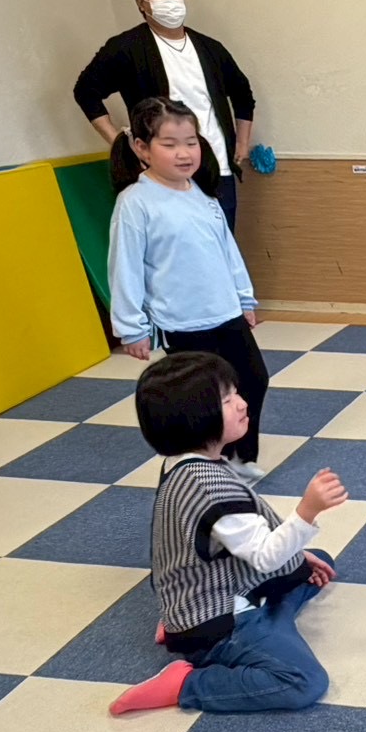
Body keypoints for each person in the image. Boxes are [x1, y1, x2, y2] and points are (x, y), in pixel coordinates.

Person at [110, 352, 347, 716]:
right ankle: (186, 683)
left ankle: (257, 623)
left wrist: (297, 559)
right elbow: (265, 557)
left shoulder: (186, 464)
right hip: (216, 621)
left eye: (235, 393)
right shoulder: (210, 487)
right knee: (304, 681)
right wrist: (307, 511)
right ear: (194, 418)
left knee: (314, 564)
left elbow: (237, 541)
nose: (242, 403)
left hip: (210, 589)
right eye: (226, 399)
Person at [109, 95, 269, 481]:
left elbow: (227, 251)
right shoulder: (135, 203)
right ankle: (208, 464)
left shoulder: (200, 193)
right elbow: (124, 267)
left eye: (191, 142)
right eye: (170, 144)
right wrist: (131, 327)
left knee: (252, 381)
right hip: (182, 322)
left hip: (225, 313)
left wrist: (244, 297)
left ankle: (238, 456)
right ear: (142, 148)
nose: (184, 153)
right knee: (204, 399)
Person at [74, 0, 254, 231]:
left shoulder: (210, 48)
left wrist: (241, 143)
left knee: (221, 244)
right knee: (174, 247)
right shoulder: (126, 48)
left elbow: (243, 94)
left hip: (216, 168)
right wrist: (119, 143)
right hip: (161, 174)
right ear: (141, 2)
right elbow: (85, 91)